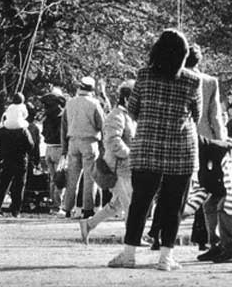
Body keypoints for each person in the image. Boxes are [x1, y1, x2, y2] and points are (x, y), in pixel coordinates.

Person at [109, 28, 201, 271]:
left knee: (140, 202)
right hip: (181, 148)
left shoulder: (144, 75)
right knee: (174, 205)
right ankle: (165, 258)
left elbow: (133, 109)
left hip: (147, 147)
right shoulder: (193, 80)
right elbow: (197, 114)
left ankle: (129, 254)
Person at [81, 80, 136, 242]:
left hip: (125, 167)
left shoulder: (127, 116)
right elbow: (112, 141)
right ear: (126, 99)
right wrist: (130, 154)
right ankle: (132, 237)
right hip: (117, 168)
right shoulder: (116, 116)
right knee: (129, 203)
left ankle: (89, 224)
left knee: (117, 205)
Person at [64, 75, 106, 219]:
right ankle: (88, 209)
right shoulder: (94, 104)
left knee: (72, 178)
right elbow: (102, 125)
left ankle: (67, 208)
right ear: (92, 89)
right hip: (89, 141)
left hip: (72, 141)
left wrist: (65, 146)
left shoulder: (70, 103)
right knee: (89, 177)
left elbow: (64, 127)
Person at [0, 92, 35, 218]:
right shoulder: (23, 130)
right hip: (20, 159)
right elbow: (30, 145)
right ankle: (15, 210)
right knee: (18, 185)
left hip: (6, 159)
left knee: (3, 185)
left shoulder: (3, 130)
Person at [186, 45, 226, 141]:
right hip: (205, 136)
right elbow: (215, 115)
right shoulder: (210, 82)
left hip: (183, 135)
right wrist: (221, 140)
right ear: (199, 61)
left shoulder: (177, 79)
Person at [37, 87, 66, 207]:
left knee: (53, 177)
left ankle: (54, 202)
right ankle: (59, 204)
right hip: (59, 148)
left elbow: (43, 133)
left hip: (49, 148)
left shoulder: (47, 117)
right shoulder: (62, 116)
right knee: (61, 178)